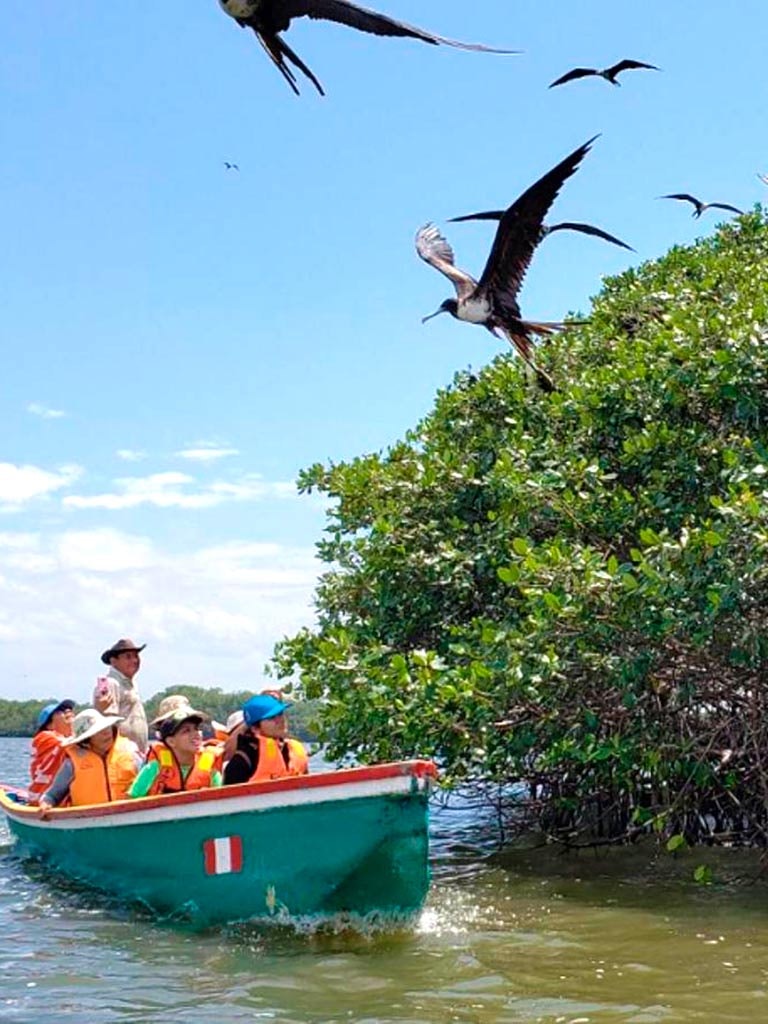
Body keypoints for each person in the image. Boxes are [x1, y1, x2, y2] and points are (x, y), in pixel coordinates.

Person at [38, 708, 142, 811]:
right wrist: (45, 804)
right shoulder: (72, 764)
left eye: (107, 727)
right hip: (88, 821)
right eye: (98, 730)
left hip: (130, 817)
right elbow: (51, 796)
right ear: (86, 740)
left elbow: (152, 782)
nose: (106, 733)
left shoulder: (131, 752)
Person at [129, 707, 223, 797]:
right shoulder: (155, 767)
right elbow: (132, 799)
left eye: (196, 728)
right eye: (186, 731)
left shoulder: (210, 768)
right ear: (171, 742)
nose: (196, 734)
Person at [223, 694, 308, 785]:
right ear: (255, 728)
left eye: (280, 714)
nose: (280, 720)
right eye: (271, 718)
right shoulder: (244, 759)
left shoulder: (293, 749)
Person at [93, 637, 149, 753]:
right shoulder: (111, 683)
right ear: (114, 661)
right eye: (128, 657)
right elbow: (108, 721)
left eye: (136, 656)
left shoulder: (130, 683)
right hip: (122, 754)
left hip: (136, 753)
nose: (134, 660)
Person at [28, 699, 76, 797]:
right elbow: (72, 743)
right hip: (44, 797)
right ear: (49, 725)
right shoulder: (45, 737)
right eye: (60, 711)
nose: (68, 712)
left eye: (69, 710)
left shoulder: (68, 739)